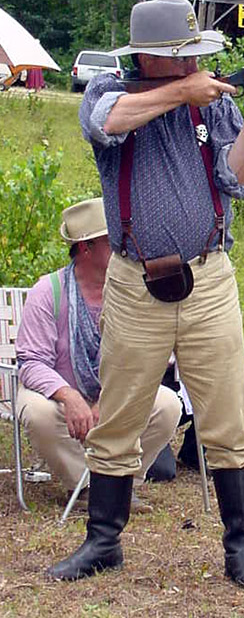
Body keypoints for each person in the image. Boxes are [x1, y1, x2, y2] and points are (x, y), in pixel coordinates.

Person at [46, 0, 244, 588]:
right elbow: (108, 123)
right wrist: (184, 92)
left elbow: (239, 178)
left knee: (229, 417)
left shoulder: (210, 102)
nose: (190, 67)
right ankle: (103, 543)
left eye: (192, 59)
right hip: (133, 282)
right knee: (119, 416)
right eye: (179, 59)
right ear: (149, 58)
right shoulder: (110, 90)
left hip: (209, 278)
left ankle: (241, 549)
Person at [16, 197, 182, 509]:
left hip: (117, 392)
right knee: (35, 410)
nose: (123, 249)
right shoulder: (48, 292)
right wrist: (70, 397)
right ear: (85, 248)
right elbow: (31, 362)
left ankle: (121, 485)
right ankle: (85, 486)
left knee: (168, 405)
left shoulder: (132, 291)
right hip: (61, 397)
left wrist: (110, 398)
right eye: (111, 241)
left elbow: (152, 356)